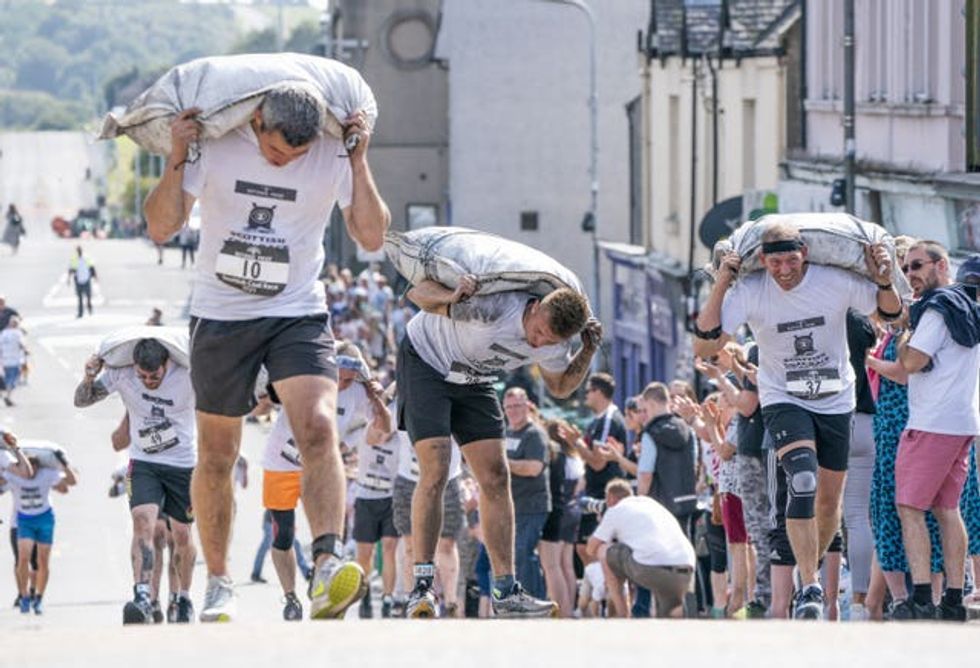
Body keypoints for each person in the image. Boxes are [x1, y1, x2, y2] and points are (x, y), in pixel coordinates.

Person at [143, 82, 391, 621]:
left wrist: (359, 161)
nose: (284, 162)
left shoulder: (331, 153)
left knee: (318, 427)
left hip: (296, 310)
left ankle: (325, 563)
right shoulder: (217, 144)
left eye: (296, 156)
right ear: (256, 121)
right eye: (276, 151)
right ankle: (220, 582)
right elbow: (161, 227)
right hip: (222, 313)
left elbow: (372, 239)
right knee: (217, 453)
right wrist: (177, 154)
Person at [694, 221, 899, 619]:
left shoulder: (833, 281)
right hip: (783, 397)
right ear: (763, 260)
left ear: (805, 253)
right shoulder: (751, 291)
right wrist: (721, 285)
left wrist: (885, 279)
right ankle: (810, 585)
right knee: (802, 481)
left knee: (829, 502)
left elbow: (891, 313)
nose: (784, 270)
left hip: (836, 400)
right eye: (775, 263)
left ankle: (811, 574)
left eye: (791, 260)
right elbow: (704, 345)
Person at [398, 272, 598, 618]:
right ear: (534, 307)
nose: (537, 343)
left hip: (474, 376)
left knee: (496, 475)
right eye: (537, 332)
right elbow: (416, 293)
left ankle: (506, 590)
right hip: (426, 361)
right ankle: (422, 587)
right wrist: (451, 298)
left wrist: (588, 351)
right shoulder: (493, 306)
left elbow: (561, 388)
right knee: (437, 468)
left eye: (547, 341)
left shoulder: (554, 341)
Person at [74, 338, 198, 624]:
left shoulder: (186, 376)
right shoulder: (123, 373)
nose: (148, 382)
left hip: (182, 464)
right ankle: (142, 596)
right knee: (143, 522)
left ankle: (183, 597)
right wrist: (89, 376)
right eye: (143, 376)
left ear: (167, 364)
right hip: (144, 462)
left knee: (181, 534)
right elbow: (81, 400)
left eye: (155, 376)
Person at [895, 240, 980, 621]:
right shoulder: (967, 308)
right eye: (906, 268)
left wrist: (904, 335)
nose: (910, 274)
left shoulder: (935, 310)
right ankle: (953, 599)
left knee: (910, 507)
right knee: (947, 509)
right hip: (961, 421)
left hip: (931, 423)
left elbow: (912, 361)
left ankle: (922, 598)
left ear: (942, 265)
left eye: (917, 265)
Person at [587, 478, 695, 618]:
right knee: (670, 614)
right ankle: (676, 612)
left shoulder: (616, 510)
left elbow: (591, 548)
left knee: (604, 551)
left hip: (652, 570)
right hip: (685, 569)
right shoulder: (650, 503)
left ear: (610, 498)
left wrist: (604, 524)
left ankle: (622, 616)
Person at [1, 441, 77, 614]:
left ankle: (39, 598)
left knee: (43, 561)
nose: (30, 473)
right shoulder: (14, 476)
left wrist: (64, 463)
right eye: (26, 470)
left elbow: (71, 483)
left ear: (38, 467)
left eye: (33, 469)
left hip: (44, 518)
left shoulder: (47, 474)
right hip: (24, 519)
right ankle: (24, 596)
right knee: (22, 558)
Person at [502, 387, 551, 601]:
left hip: (532, 506)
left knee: (524, 553)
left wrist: (504, 463)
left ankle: (534, 601)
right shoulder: (506, 433)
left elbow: (533, 468)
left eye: (517, 406)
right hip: (511, 506)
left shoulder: (534, 434)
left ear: (527, 406)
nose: (513, 411)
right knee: (512, 556)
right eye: (509, 407)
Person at [575, 374, 628, 565]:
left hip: (605, 493)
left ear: (599, 392)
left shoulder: (609, 419)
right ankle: (598, 583)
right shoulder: (596, 421)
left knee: (596, 548)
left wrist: (576, 443)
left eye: (588, 391)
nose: (586, 395)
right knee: (583, 547)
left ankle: (607, 584)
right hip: (593, 491)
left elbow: (599, 463)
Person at [1, 317, 27, 407]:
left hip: (5, 360)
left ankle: (5, 395)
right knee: (13, 379)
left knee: (7, 378)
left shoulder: (3, 333)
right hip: (15, 360)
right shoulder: (18, 333)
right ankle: (7, 396)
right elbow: (22, 344)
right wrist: (26, 351)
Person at [68, 245, 97, 318]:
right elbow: (71, 269)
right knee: (80, 297)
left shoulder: (86, 258)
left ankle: (89, 307)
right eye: (78, 251)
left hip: (86, 279)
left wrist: (95, 276)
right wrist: (68, 278)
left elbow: (92, 267)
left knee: (88, 296)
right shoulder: (74, 259)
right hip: (78, 280)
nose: (79, 252)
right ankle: (80, 313)